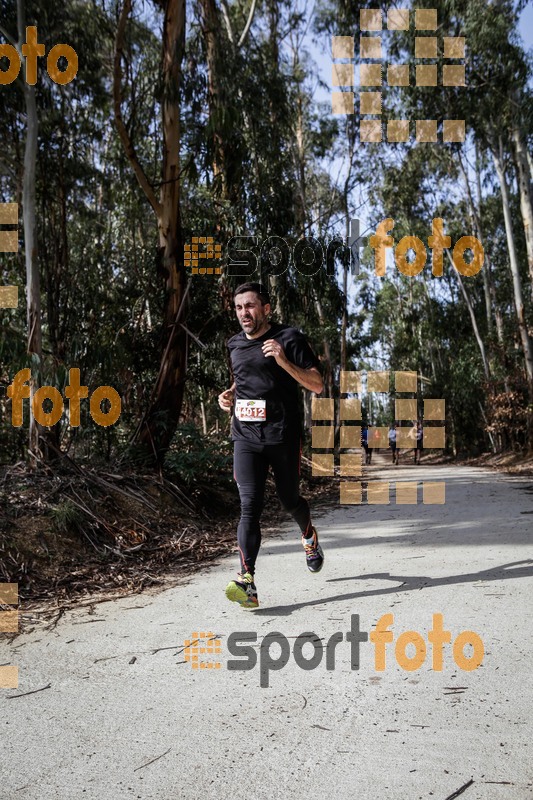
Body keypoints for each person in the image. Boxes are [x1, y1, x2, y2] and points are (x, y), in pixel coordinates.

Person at [218, 282, 324, 610]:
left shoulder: (289, 338)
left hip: (282, 435)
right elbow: (245, 377)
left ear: (266, 308)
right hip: (246, 436)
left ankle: (308, 534)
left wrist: (283, 361)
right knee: (250, 505)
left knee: (289, 499)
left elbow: (317, 384)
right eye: (238, 308)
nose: (244, 314)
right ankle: (247, 580)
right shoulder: (234, 344)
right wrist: (230, 394)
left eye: (250, 306)